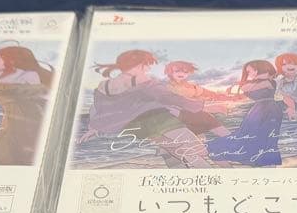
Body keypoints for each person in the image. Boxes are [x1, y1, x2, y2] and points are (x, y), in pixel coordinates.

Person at [79, 49, 223, 168]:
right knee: (195, 149)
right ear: (139, 65)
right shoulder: (140, 79)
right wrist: (204, 106)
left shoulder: (104, 85)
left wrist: (94, 128)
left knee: (173, 153)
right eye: (147, 65)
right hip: (159, 120)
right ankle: (210, 179)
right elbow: (169, 97)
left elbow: (98, 109)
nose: (148, 69)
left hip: (140, 128)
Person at [206, 60, 285, 167]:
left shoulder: (269, 82)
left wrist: (237, 84)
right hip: (257, 111)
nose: (249, 74)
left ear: (258, 69)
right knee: (249, 136)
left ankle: (267, 163)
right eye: (247, 72)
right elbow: (246, 90)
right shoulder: (256, 83)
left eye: (249, 71)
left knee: (265, 138)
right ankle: (261, 162)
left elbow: (249, 87)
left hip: (268, 111)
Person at [163, 60, 233, 137]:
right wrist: (208, 107)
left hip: (191, 114)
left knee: (204, 121)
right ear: (170, 72)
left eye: (185, 72)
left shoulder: (191, 86)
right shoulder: (167, 86)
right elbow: (179, 101)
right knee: (205, 117)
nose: (181, 74)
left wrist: (223, 97)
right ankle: (228, 137)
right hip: (176, 114)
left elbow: (206, 92)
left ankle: (228, 137)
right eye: (177, 71)